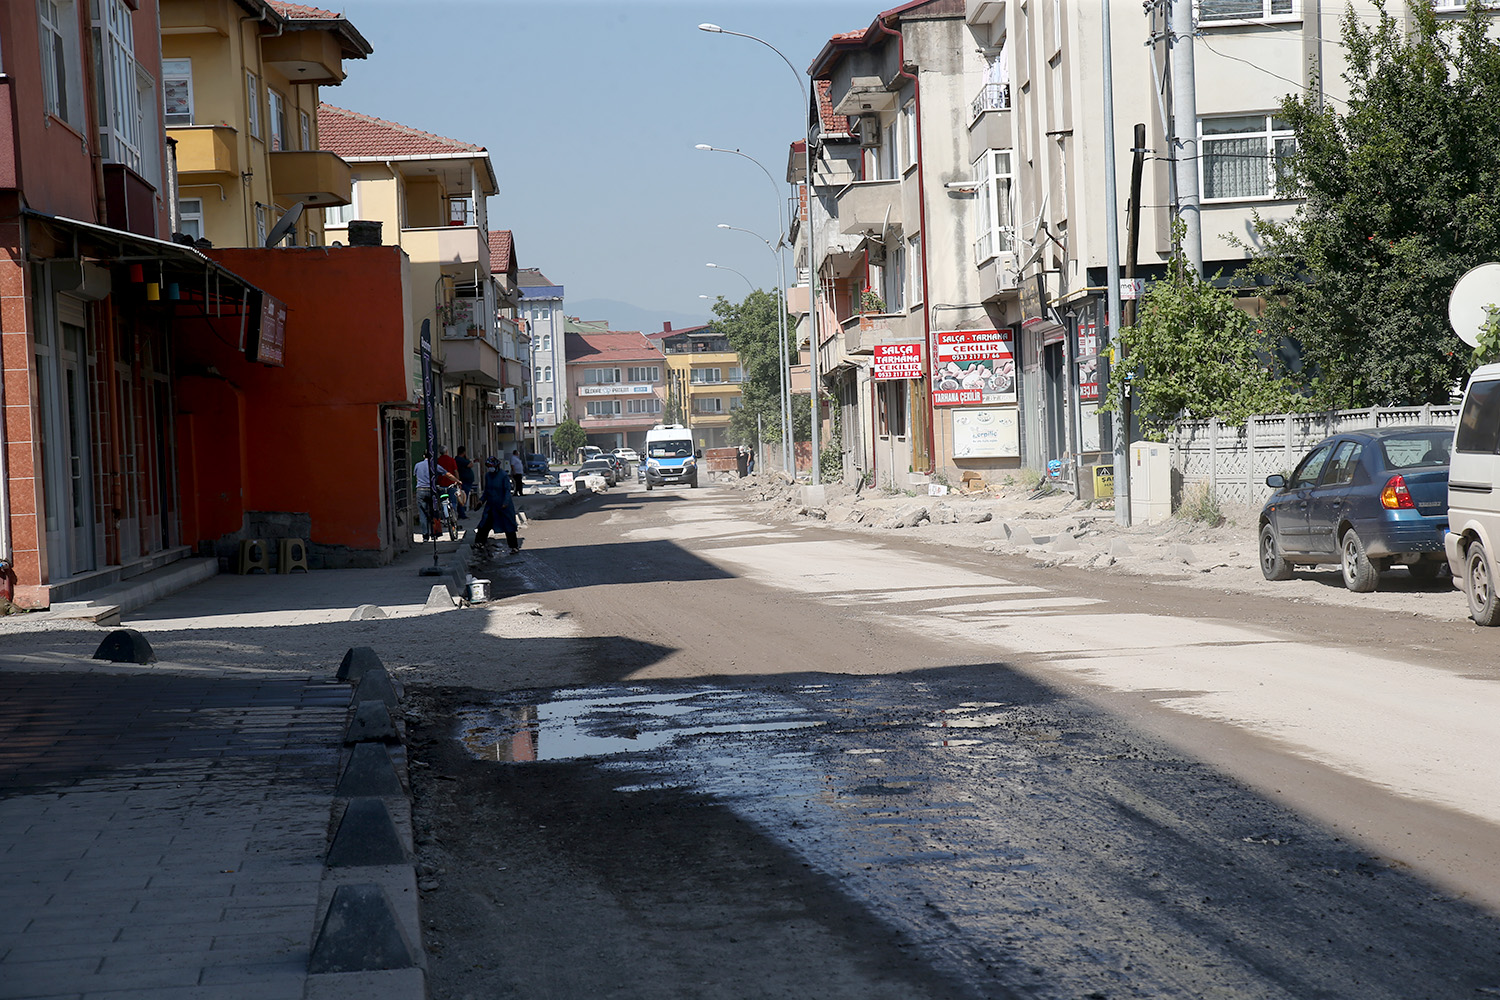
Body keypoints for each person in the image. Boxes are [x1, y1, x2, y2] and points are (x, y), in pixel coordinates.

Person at [473, 456, 521, 553]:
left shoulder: (503, 475)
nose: (490, 468)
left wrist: (505, 503)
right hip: (491, 505)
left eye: (491, 466)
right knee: (485, 524)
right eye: (489, 466)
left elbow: (507, 491)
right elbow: (487, 491)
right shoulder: (488, 476)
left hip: (503, 506)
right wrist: (481, 501)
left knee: (509, 526)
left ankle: (514, 547)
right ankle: (479, 542)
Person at [414, 451, 444, 542]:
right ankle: (435, 533)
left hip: (421, 490)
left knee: (423, 513)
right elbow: (445, 473)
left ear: (424, 456)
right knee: (434, 511)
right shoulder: (434, 465)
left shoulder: (417, 465)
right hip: (432, 490)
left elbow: (416, 478)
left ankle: (425, 536)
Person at [454, 446, 474, 520]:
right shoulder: (460, 460)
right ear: (464, 452)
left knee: (463, 497)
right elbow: (470, 464)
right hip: (464, 481)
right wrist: (467, 458)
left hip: (466, 481)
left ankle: (461, 513)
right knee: (463, 497)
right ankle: (461, 513)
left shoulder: (459, 459)